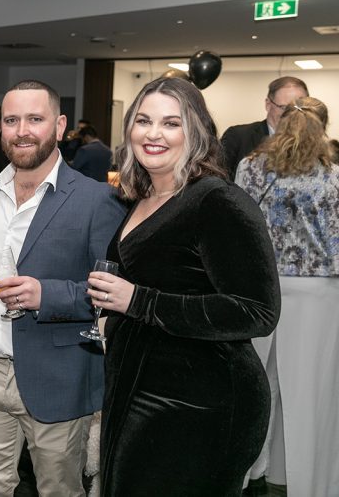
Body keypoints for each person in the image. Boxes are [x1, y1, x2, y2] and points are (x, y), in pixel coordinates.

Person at [91, 76, 280, 496]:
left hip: (202, 400)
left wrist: (138, 301)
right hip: (140, 384)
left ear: (196, 132)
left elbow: (257, 311)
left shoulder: (218, 201)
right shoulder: (143, 196)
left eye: (171, 123)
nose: (153, 134)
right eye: (143, 121)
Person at [0, 81, 124, 497]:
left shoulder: (96, 200)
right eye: (11, 120)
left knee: (59, 491)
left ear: (60, 125)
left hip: (57, 375)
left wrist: (45, 295)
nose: (22, 131)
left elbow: (112, 295)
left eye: (35, 119)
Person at [236, 97, 339, 497]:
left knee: (258, 384)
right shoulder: (332, 176)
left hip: (263, 287)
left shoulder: (250, 168)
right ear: (321, 130)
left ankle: (247, 473)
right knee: (312, 392)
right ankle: (307, 482)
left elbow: (238, 225)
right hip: (319, 293)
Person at [221, 76, 308, 179]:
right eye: (284, 107)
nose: (292, 114)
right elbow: (219, 179)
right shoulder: (238, 137)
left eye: (299, 108)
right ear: (268, 105)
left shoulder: (314, 143)